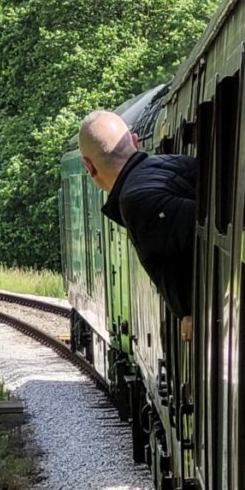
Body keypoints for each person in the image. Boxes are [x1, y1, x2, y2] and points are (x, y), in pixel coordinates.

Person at [78, 110, 196, 339]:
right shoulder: (175, 164)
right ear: (135, 141)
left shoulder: (138, 201)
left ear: (89, 167)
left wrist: (195, 309)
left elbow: (210, 232)